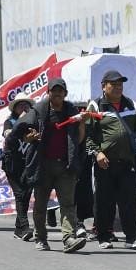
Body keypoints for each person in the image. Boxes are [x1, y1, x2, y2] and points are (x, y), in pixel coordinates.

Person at [8, 78, 88, 253]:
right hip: (42, 166)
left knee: (67, 204)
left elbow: (78, 140)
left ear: (65, 94)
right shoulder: (38, 112)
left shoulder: (71, 112)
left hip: (65, 166)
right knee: (41, 205)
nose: (57, 93)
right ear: (48, 92)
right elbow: (23, 134)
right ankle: (41, 238)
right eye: (54, 90)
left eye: (61, 91)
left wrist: (82, 124)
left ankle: (69, 238)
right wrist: (29, 137)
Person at [85, 69, 136, 249]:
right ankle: (104, 236)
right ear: (103, 86)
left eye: (120, 84)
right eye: (113, 84)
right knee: (104, 201)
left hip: (127, 162)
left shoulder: (130, 104)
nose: (117, 88)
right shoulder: (96, 105)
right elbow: (88, 135)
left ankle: (132, 237)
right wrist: (97, 153)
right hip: (104, 163)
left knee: (129, 200)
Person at [1, 93, 35, 240]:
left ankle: (18, 229)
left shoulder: (32, 123)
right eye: (20, 105)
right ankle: (26, 227)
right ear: (14, 108)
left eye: (26, 105)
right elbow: (9, 135)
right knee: (20, 194)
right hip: (12, 165)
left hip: (27, 164)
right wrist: (21, 121)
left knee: (26, 195)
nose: (23, 107)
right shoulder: (9, 122)